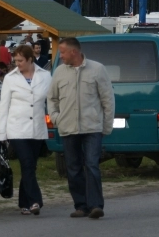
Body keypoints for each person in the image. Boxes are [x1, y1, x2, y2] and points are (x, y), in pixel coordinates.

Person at [47, 37, 114, 220]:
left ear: (73, 52)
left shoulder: (97, 70)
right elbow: (51, 98)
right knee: (73, 167)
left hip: (92, 127)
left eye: (62, 52)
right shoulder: (59, 72)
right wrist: (56, 118)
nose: (60, 56)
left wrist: (106, 126)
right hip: (68, 127)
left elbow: (107, 99)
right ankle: (80, 205)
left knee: (92, 164)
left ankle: (95, 206)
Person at [0, 44, 52, 215]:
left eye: (21, 60)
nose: (17, 63)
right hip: (17, 128)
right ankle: (36, 201)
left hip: (36, 128)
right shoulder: (10, 78)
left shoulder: (45, 76)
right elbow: (3, 106)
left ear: (30, 59)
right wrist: (1, 133)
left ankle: (24, 202)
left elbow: (50, 101)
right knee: (27, 162)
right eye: (15, 60)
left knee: (30, 166)